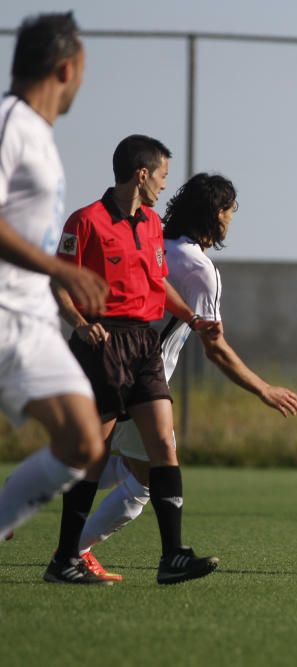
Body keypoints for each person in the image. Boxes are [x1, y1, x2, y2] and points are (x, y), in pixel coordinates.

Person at [76, 173, 297, 578]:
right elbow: (215, 348)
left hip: (105, 364)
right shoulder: (199, 269)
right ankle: (76, 549)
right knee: (147, 477)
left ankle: (29, 502)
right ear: (217, 214)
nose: (232, 219)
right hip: (143, 380)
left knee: (113, 463)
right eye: (230, 211)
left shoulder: (152, 244)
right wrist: (264, 389)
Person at [47, 134, 221, 585]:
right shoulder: (84, 221)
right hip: (101, 343)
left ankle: (173, 558)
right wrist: (81, 323)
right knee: (92, 455)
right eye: (162, 175)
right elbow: (59, 284)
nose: (165, 184)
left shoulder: (149, 225)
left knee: (163, 445)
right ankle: (65, 558)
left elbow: (158, 281)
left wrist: (193, 318)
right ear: (141, 174)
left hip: (143, 345)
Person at [0, 13, 113, 585]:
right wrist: (59, 269)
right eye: (84, 73)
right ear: (66, 69)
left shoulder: (41, 136)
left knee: (82, 441)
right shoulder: (9, 123)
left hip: (34, 320)